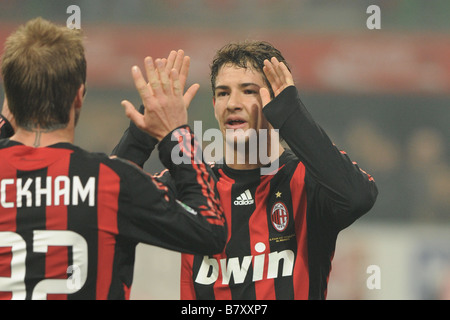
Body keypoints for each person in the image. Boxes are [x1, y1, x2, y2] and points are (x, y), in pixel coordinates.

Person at [113, 41, 378, 300]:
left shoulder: (306, 179)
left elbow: (358, 196)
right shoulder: (192, 183)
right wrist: (141, 133)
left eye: (248, 91)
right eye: (223, 93)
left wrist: (292, 116)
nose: (232, 103)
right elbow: (107, 199)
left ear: (277, 101)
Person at [0, 18, 226, 300]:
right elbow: (210, 229)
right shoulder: (110, 182)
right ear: (79, 97)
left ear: (9, 96)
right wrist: (175, 134)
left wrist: (5, 124)